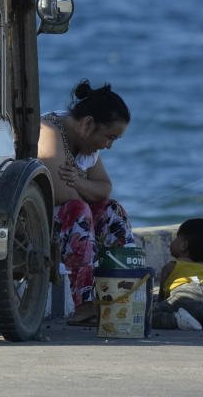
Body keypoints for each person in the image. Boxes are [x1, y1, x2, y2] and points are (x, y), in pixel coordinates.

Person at [38, 80, 133, 325]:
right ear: (88, 124)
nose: (108, 145)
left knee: (113, 211)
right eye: (109, 137)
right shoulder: (49, 130)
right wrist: (85, 192)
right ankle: (85, 304)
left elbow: (104, 188)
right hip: (38, 218)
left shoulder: (87, 147)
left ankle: (123, 294)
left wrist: (79, 184)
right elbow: (58, 193)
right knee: (78, 211)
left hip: (71, 211)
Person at [152, 217, 203, 331]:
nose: (173, 241)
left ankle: (177, 320)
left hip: (184, 296)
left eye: (177, 238)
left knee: (150, 316)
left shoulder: (171, 266)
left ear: (183, 245)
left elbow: (163, 298)